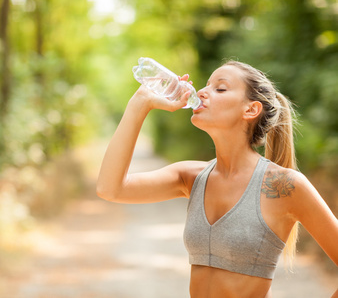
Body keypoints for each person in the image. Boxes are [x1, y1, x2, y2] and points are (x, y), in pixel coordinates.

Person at [96, 60, 338, 298]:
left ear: (250, 109)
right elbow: (110, 188)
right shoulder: (191, 177)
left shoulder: (284, 185)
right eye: (206, 85)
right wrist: (140, 103)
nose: (202, 91)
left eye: (219, 88)